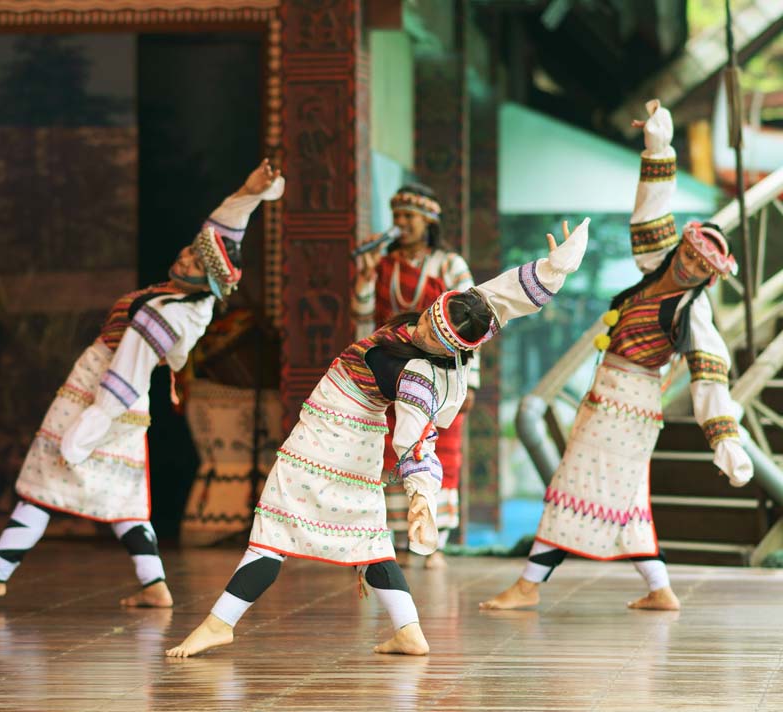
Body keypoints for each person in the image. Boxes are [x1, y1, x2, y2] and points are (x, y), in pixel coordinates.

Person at [166, 218, 590, 658]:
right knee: (368, 541)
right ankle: (409, 631)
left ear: (452, 350)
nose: (422, 332)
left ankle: (220, 623)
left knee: (273, 527)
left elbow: (415, 440)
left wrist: (422, 497)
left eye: (432, 337)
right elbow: (502, 296)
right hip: (351, 435)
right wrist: (554, 269)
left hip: (330, 437)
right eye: (427, 321)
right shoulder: (468, 314)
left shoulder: (417, 378)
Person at [0, 160, 284, 610]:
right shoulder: (188, 299)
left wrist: (86, 428)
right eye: (189, 251)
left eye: (196, 261)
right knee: (122, 493)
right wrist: (249, 191)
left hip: (103, 393)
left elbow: (127, 373)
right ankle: (153, 583)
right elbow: (220, 238)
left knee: (45, 477)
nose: (185, 256)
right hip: (114, 393)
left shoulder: (164, 315)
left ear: (207, 281)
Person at [480, 100, 753, 613]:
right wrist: (659, 149)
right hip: (610, 395)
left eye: (702, 265)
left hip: (629, 403)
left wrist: (724, 435)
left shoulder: (692, 313)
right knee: (625, 502)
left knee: (572, 484)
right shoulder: (657, 266)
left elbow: (709, 376)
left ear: (711, 276)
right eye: (691, 254)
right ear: (683, 249)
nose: (691, 265)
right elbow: (651, 213)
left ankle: (529, 585)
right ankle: (661, 589)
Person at [352, 184, 477, 567]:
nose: (402, 224)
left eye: (409, 217)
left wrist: (470, 381)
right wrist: (365, 276)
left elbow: (473, 320)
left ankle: (432, 542)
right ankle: (402, 541)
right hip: (394, 366)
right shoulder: (383, 265)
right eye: (398, 217)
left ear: (429, 221)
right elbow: (362, 316)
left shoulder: (448, 264)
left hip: (440, 367)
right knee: (394, 448)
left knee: (436, 448)